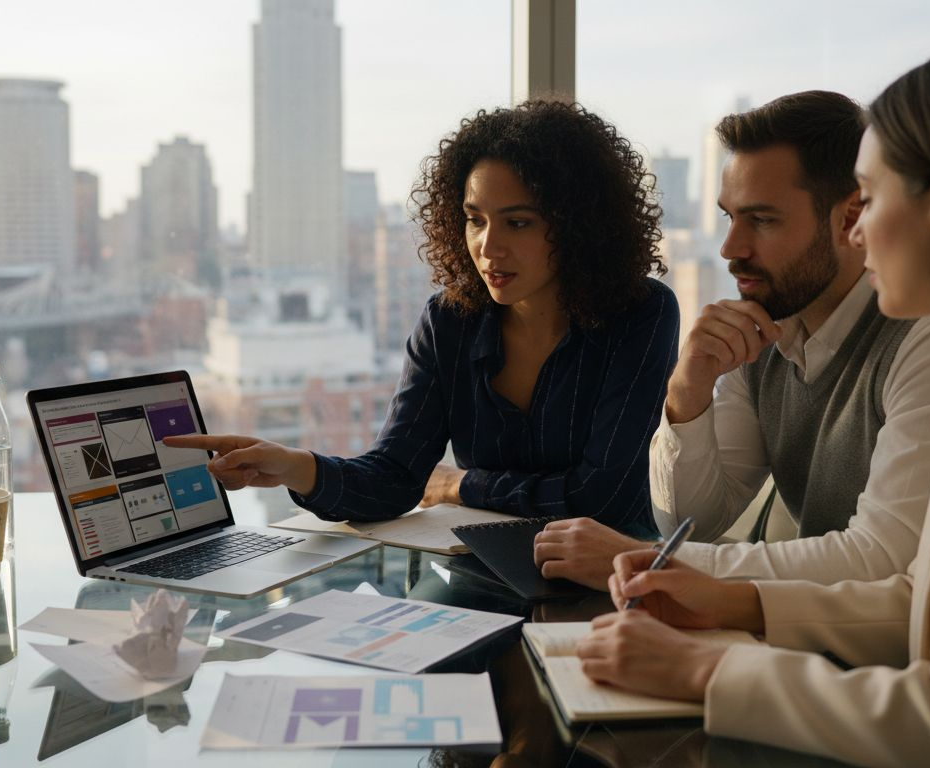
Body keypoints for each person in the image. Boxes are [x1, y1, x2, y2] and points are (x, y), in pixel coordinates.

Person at [577, 42, 930, 766]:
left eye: (868, 201)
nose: (858, 231)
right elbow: (920, 598)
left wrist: (703, 667)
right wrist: (732, 601)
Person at [168, 101, 678, 533]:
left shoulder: (640, 314)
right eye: (474, 220)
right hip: (480, 563)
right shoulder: (449, 321)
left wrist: (459, 485)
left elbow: (601, 499)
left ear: (577, 226)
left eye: (517, 222)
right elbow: (395, 477)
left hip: (607, 578)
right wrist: (293, 468)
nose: (487, 246)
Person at [535, 91, 930, 589]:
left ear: (849, 219)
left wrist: (650, 561)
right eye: (729, 217)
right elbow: (691, 522)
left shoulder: (927, 335)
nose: (730, 248)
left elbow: (883, 558)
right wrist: (686, 395)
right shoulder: (762, 329)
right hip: (803, 628)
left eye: (761, 220)